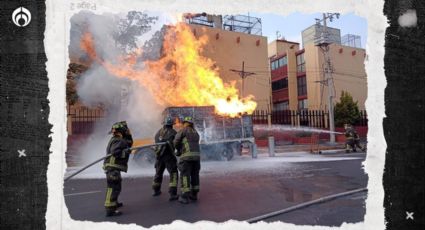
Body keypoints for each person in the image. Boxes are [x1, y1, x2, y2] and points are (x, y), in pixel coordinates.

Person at [103, 121, 133, 217]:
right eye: (125, 130)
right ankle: (110, 209)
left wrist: (128, 136)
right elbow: (115, 152)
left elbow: (129, 143)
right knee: (113, 188)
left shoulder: (117, 139)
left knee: (116, 187)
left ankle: (114, 203)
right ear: (122, 131)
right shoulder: (119, 140)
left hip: (113, 167)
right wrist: (126, 152)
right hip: (113, 167)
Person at [173, 116, 201, 204]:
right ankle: (194, 194)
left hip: (186, 158)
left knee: (185, 175)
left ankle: (184, 196)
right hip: (196, 158)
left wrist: (178, 150)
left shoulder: (183, 130)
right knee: (195, 175)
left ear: (185, 123)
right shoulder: (196, 133)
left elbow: (175, 141)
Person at [152, 116, 179, 201]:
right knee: (173, 173)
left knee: (158, 173)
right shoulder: (173, 132)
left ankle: (156, 190)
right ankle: (172, 193)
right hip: (168, 156)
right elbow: (176, 143)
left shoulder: (158, 132)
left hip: (159, 156)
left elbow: (156, 141)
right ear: (172, 124)